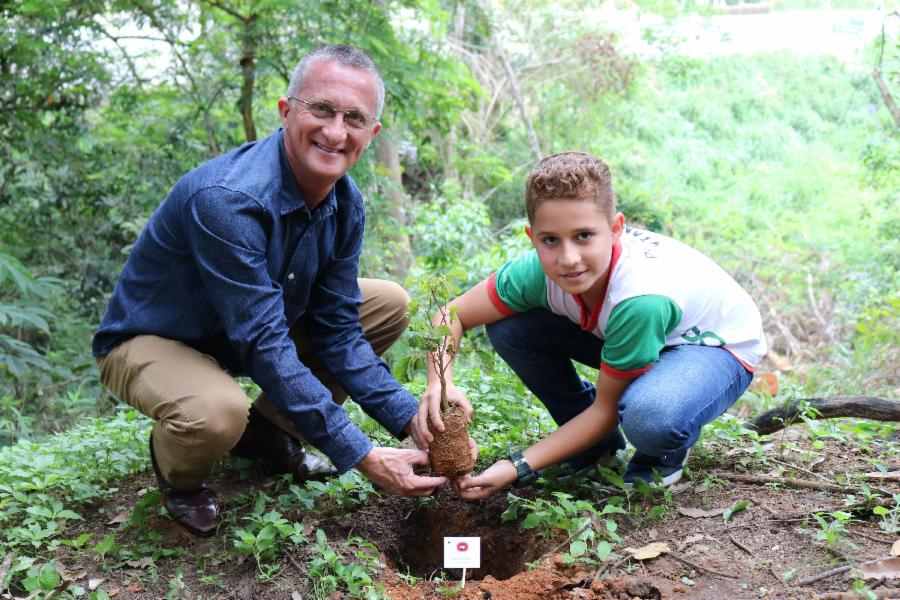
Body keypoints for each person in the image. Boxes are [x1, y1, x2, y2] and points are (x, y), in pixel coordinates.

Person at [93, 45, 446, 537]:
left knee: (386, 303)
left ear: (372, 133)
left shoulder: (346, 203)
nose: (335, 131)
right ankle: (181, 479)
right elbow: (263, 342)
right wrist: (361, 453)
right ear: (286, 111)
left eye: (354, 118)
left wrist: (413, 420)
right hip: (157, 339)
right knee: (216, 412)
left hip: (248, 331)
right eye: (320, 109)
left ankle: (267, 434)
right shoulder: (227, 199)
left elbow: (339, 330)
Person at [416, 151, 766, 500]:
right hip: (641, 333)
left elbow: (606, 409)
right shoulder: (536, 272)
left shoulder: (639, 298)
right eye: (550, 239)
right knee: (510, 327)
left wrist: (518, 466)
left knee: (649, 416)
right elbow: (452, 314)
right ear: (532, 236)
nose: (568, 258)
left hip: (711, 347)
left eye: (584, 236)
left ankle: (662, 454)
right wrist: (437, 384)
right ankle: (596, 449)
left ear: (615, 229)